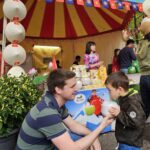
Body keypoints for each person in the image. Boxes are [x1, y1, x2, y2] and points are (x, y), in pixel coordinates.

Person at [16, 69, 113, 150]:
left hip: (47, 146)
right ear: (58, 90)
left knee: (80, 136)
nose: (77, 89)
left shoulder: (54, 102)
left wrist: (92, 137)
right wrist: (102, 126)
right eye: (72, 86)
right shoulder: (47, 113)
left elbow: (73, 125)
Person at [105, 72, 146, 150]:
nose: (109, 93)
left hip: (130, 142)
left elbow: (136, 122)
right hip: (125, 139)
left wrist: (119, 114)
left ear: (120, 89)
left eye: (109, 90)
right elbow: (127, 114)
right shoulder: (124, 97)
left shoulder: (132, 102)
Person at [137, 32, 150, 119]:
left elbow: (138, 55)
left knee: (145, 105)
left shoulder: (141, 43)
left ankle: (140, 127)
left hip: (143, 77)